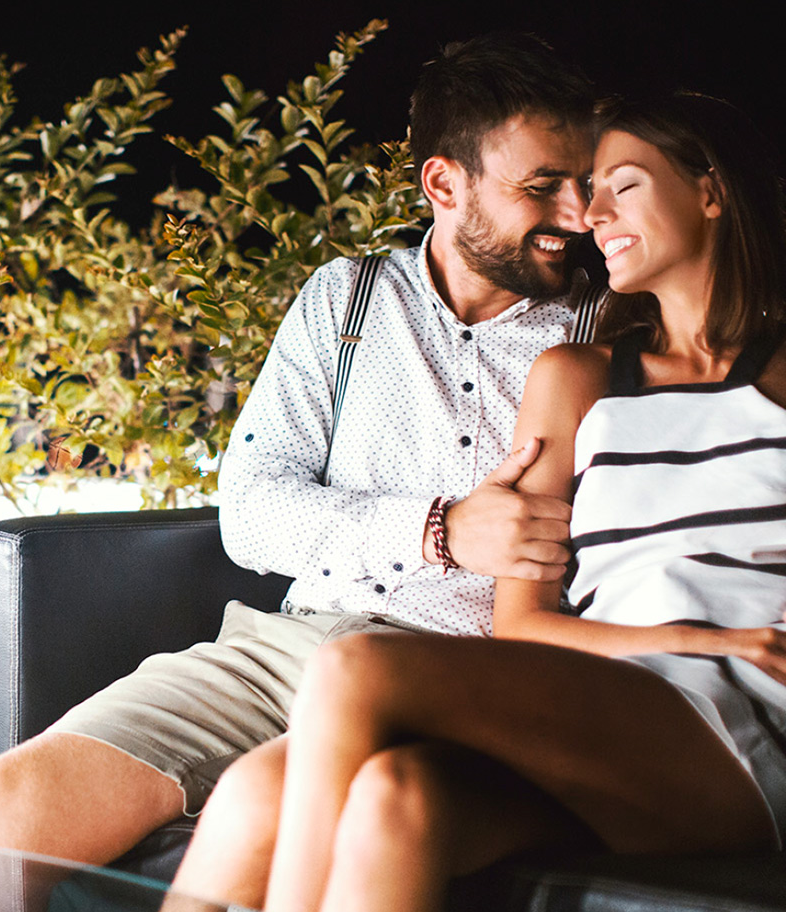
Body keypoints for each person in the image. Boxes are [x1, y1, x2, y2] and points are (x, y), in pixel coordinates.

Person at [0, 32, 594, 878]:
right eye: (543, 187)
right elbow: (251, 510)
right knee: (7, 804)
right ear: (444, 183)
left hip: (471, 679)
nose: (579, 215)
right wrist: (440, 530)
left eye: (584, 184)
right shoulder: (345, 300)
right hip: (293, 648)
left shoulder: (609, 336)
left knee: (272, 805)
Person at [198, 91, 786, 912]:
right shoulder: (578, 376)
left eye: (623, 186)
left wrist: (721, 645)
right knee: (385, 795)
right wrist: (690, 632)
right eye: (585, 190)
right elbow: (525, 625)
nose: (590, 216)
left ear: (711, 190)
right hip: (615, 700)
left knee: (358, 668)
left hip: (738, 714)